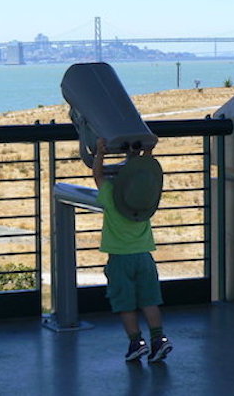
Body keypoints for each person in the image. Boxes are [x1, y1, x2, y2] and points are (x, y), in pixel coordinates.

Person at [93, 137, 172, 362]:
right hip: (145, 258)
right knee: (150, 301)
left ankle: (136, 342)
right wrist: (146, 153)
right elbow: (145, 177)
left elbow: (98, 176)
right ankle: (159, 339)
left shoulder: (110, 196)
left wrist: (100, 153)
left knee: (125, 304)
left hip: (119, 259)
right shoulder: (146, 199)